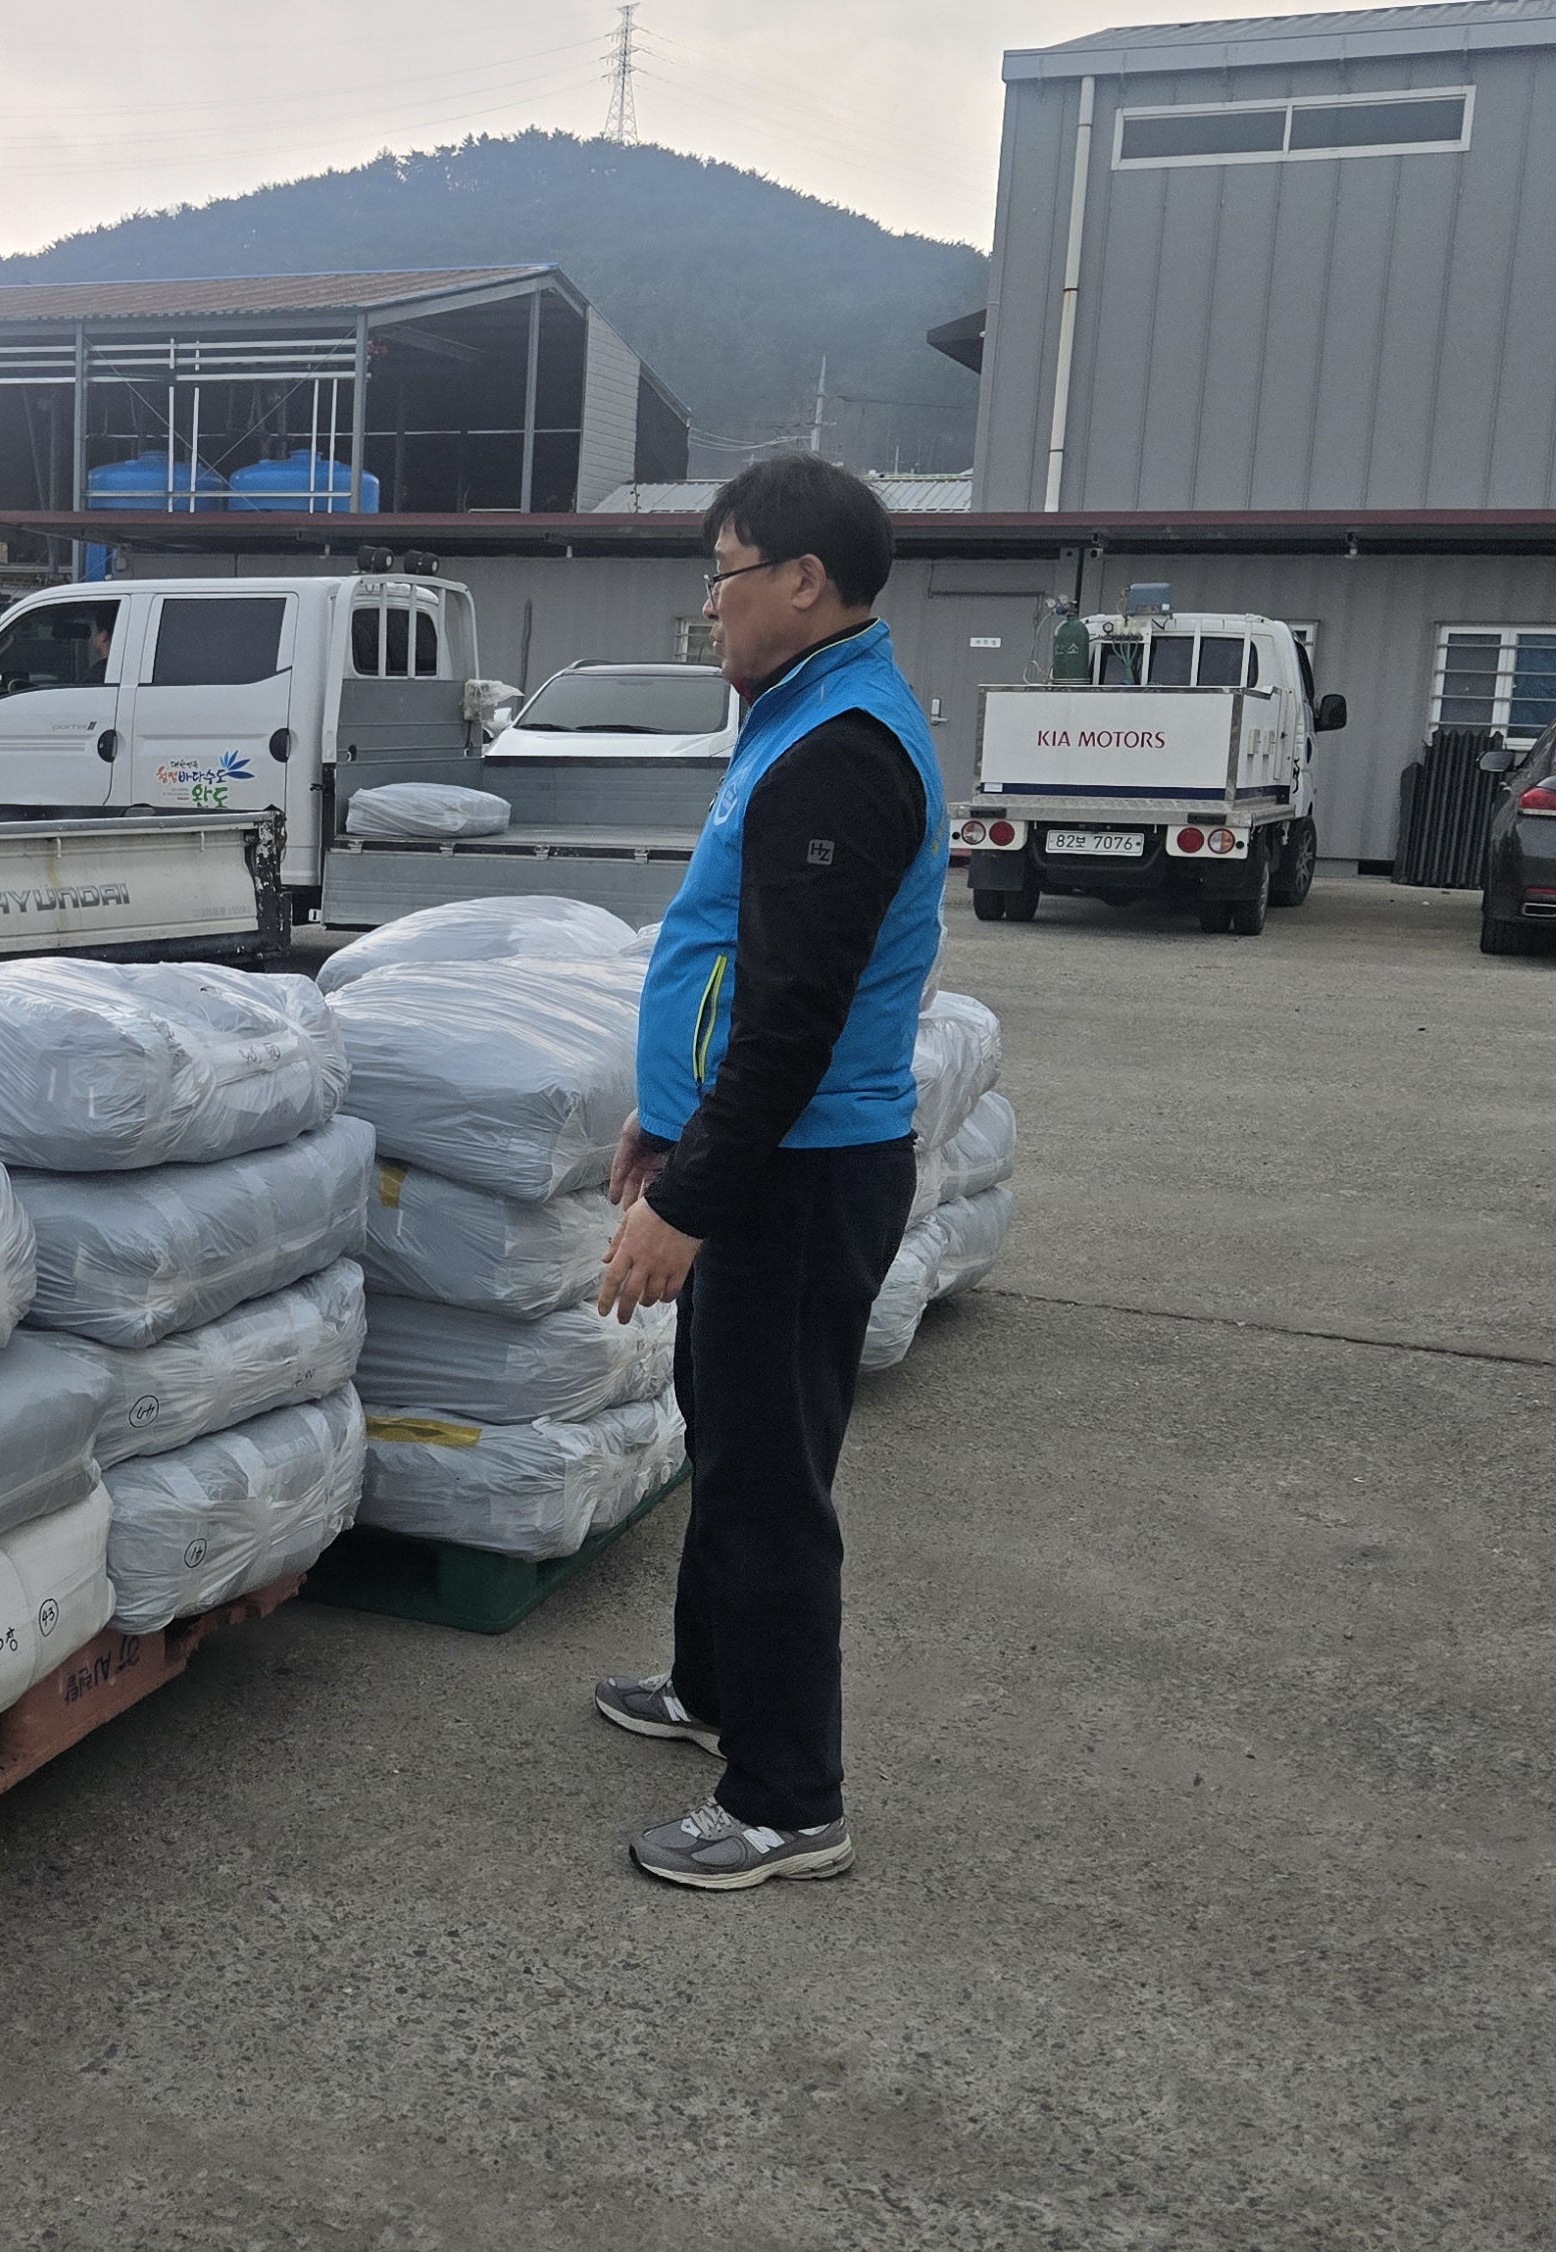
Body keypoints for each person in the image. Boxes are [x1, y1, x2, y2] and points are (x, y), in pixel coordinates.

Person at [590, 452, 943, 1892]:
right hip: (763, 1153)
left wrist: (692, 1197)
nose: (712, 604)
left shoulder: (840, 751)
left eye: (725, 573)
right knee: (726, 1438)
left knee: (768, 1482)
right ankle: (709, 1686)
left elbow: (794, 1018)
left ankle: (789, 1801)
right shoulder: (799, 714)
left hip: (799, 1177)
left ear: (804, 581)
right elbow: (738, 967)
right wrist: (669, 1120)